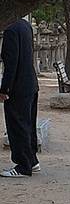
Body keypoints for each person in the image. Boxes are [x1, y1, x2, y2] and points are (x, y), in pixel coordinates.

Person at [0, 18, 40, 177]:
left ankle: (23, 166)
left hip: (18, 87)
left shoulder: (10, 31)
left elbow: (11, 63)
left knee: (18, 126)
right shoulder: (25, 26)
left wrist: (5, 88)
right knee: (28, 124)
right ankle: (32, 160)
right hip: (30, 83)